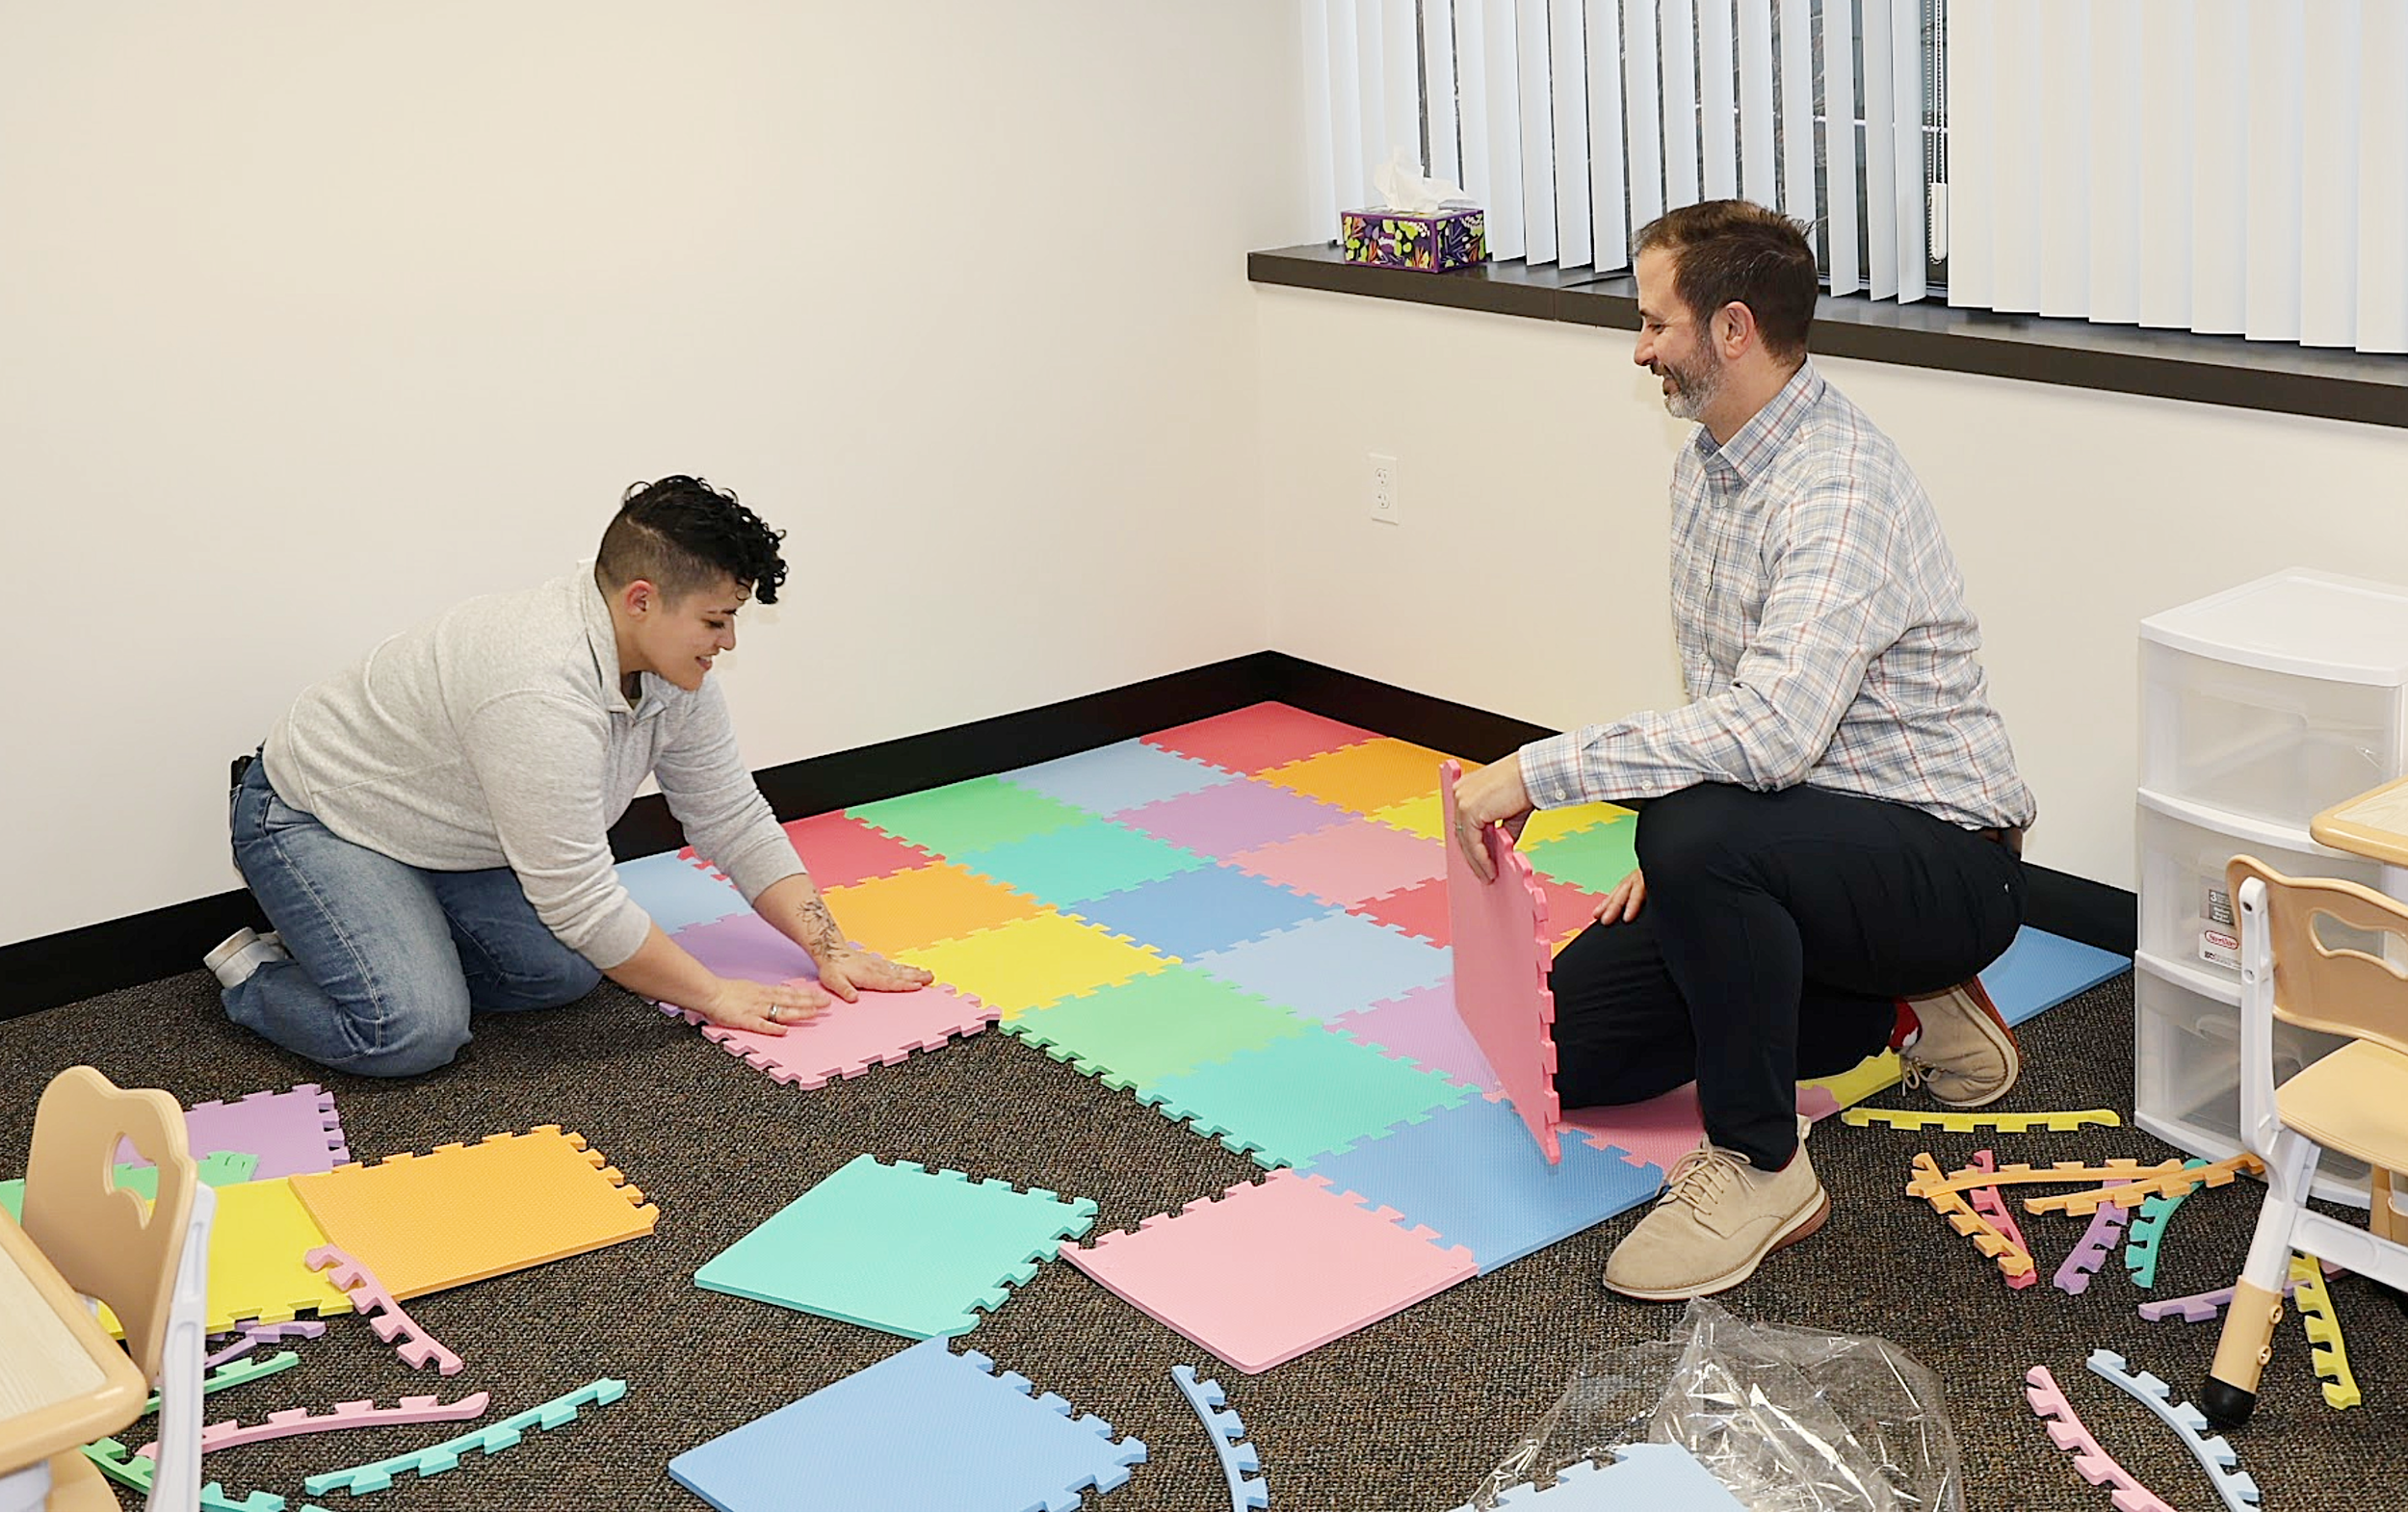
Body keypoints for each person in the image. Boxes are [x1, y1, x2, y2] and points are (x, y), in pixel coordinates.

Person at [1452, 201, 2037, 1302]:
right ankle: (1904, 1003)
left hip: (1948, 858)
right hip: (1812, 834)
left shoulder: (1837, 487)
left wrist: (1543, 771)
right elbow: (1735, 708)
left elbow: (1768, 730)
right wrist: (1697, 869)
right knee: (1572, 1048)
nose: (1638, 349)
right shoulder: (1708, 469)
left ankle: (1765, 1164)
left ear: (1729, 328)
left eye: (1651, 321)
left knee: (1692, 827)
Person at [206, 475, 931, 1077]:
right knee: (413, 1032)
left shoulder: (676, 674)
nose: (729, 641)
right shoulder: (537, 689)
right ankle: (259, 972)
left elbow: (731, 815)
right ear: (640, 599)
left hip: (450, 834)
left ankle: (381, 930)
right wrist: (715, 994)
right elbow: (582, 899)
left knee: (565, 973)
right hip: (317, 816)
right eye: (715, 621)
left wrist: (829, 946)